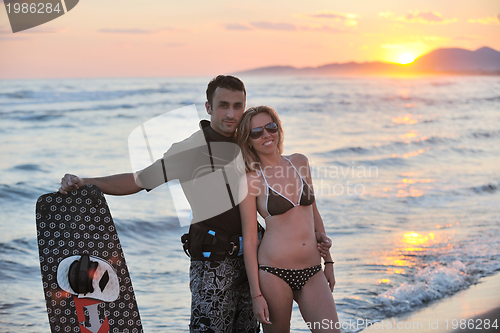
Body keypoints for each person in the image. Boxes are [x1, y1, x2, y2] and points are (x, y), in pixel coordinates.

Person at [59, 76, 332, 333]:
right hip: (214, 263)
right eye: (223, 105)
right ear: (208, 107)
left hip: (255, 261)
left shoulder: (248, 143)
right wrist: (86, 181)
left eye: (238, 106)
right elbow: (139, 180)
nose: (230, 113)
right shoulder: (188, 151)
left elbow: (284, 185)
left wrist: (315, 239)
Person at [237, 106, 340, 333]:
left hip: (313, 270)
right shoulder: (250, 181)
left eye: (270, 127)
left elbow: (314, 214)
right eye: (256, 132)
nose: (266, 135)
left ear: (278, 129)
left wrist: (329, 262)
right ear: (249, 141)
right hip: (274, 273)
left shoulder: (299, 162)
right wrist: (256, 294)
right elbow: (251, 241)